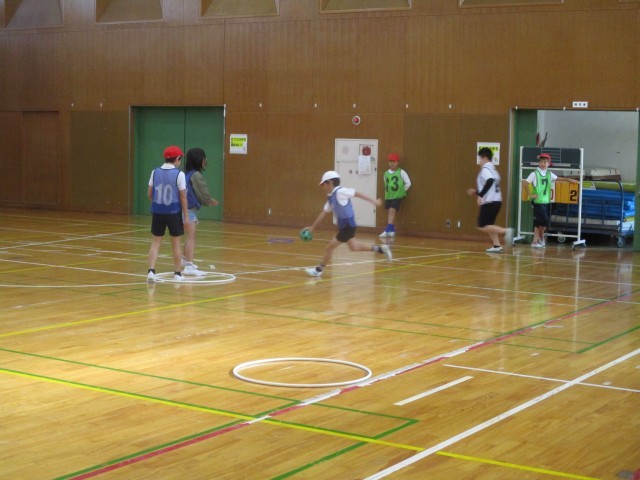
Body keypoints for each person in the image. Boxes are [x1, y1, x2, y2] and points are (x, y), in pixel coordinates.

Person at [304, 171, 392, 277]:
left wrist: (374, 201)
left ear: (330, 183)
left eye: (324, 184)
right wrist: (312, 228)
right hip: (345, 226)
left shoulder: (340, 191)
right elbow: (324, 213)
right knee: (354, 247)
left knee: (329, 247)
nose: (323, 187)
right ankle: (381, 249)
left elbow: (357, 193)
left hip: (347, 226)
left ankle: (318, 270)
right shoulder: (331, 197)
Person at [147, 146, 190, 282]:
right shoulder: (179, 174)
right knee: (176, 244)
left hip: (158, 212)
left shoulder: (155, 172)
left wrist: (157, 204)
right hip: (173, 213)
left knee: (155, 243)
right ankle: (177, 274)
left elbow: (150, 193)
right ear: (177, 159)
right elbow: (183, 197)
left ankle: (151, 272)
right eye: (180, 159)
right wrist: (186, 216)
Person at [525, 153, 580, 248]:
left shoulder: (549, 173)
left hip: (546, 201)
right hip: (537, 201)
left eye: (545, 162)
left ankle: (535, 242)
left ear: (548, 163)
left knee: (539, 222)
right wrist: (530, 194)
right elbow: (525, 183)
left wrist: (569, 180)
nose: (543, 164)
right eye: (541, 162)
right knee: (544, 221)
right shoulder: (534, 173)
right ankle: (541, 237)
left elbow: (558, 178)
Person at [466, 147, 513, 253]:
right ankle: (497, 245)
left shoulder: (485, 169)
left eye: (480, 158)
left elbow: (490, 181)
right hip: (496, 201)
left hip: (490, 201)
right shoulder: (493, 169)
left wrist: (480, 194)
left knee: (482, 226)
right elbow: (489, 184)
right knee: (489, 225)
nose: (479, 161)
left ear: (484, 158)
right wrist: (478, 194)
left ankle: (506, 231)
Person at [182, 148, 219, 276]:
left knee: (189, 236)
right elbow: (202, 190)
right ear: (199, 160)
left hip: (183, 209)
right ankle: (188, 266)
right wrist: (208, 200)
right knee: (191, 237)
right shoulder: (195, 175)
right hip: (188, 210)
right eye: (204, 158)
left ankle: (184, 259)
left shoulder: (186, 174)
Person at [380, 153, 412, 238]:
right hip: (389, 195)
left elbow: (408, 183)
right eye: (390, 161)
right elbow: (386, 184)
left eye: (394, 161)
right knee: (390, 212)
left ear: (397, 163)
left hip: (397, 196)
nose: (392, 163)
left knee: (392, 210)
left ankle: (387, 230)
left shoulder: (401, 172)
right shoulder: (386, 173)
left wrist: (401, 191)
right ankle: (392, 230)